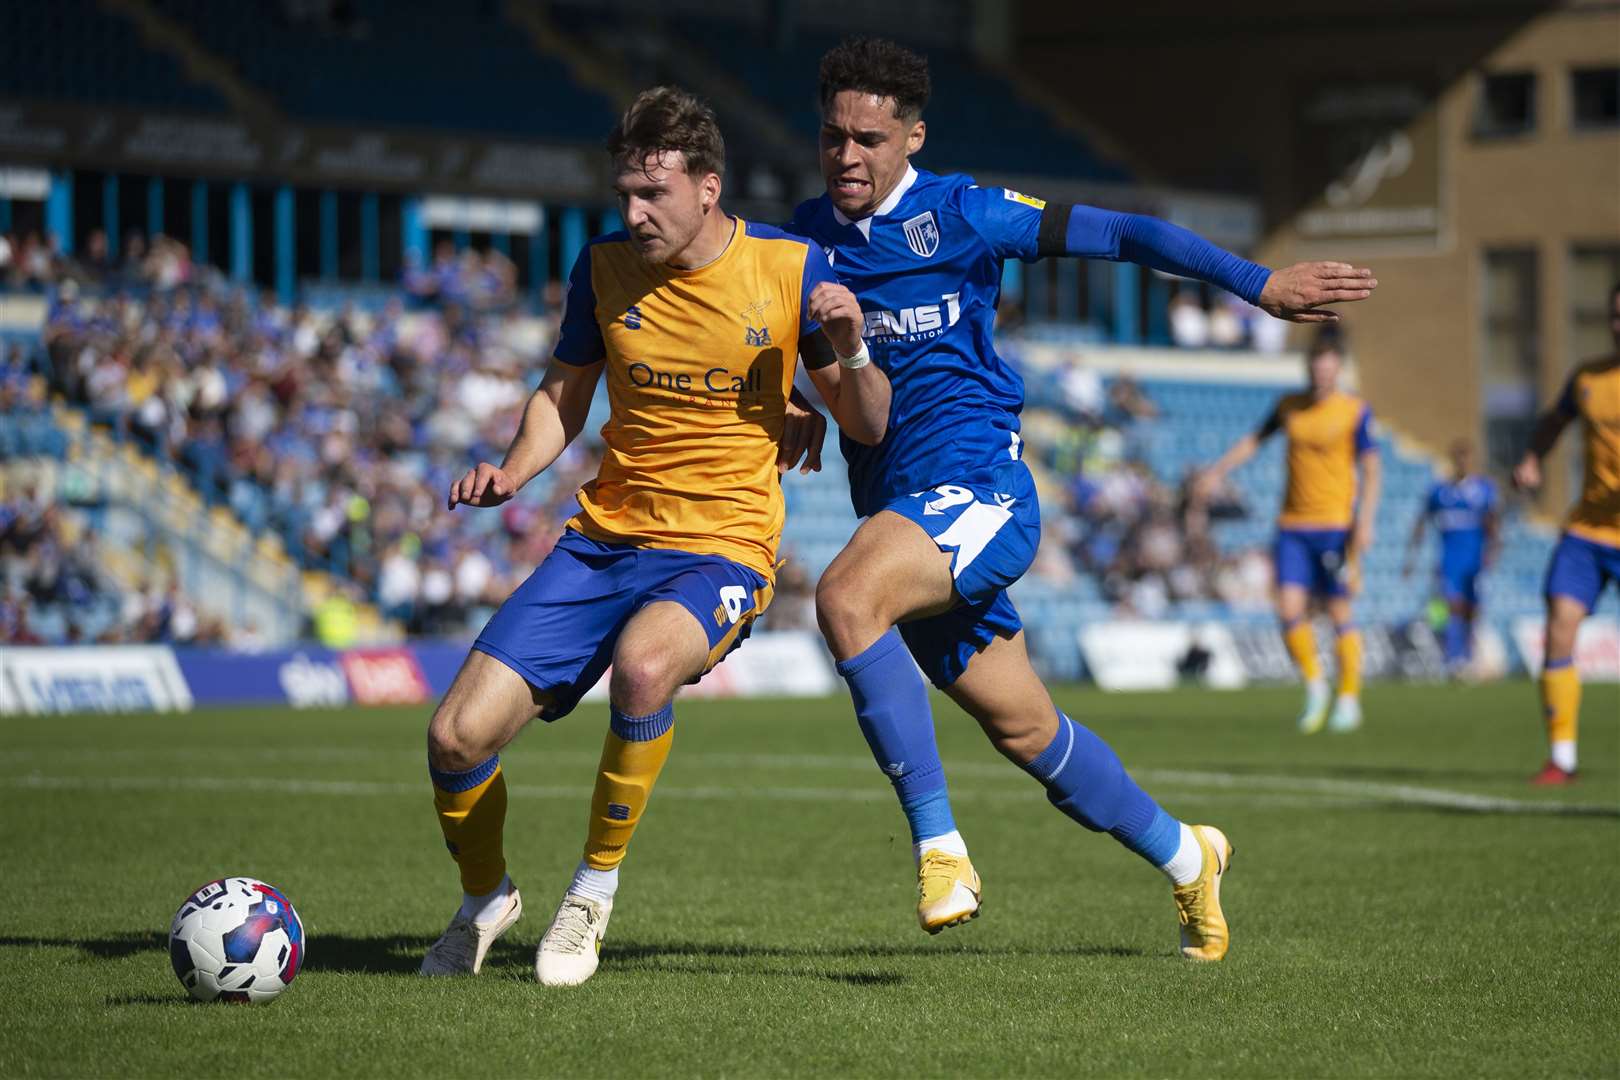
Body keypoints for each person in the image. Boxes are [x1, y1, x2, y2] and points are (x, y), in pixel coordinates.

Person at [788, 37, 1376, 960]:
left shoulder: (967, 212)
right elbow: (831, 380)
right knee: (1029, 732)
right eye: (833, 137)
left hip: (980, 491)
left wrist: (1257, 284)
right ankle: (1188, 857)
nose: (847, 156)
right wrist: (798, 399)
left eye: (868, 137)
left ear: (912, 137)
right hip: (902, 514)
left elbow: (1127, 233)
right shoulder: (803, 243)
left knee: (845, 596)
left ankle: (941, 848)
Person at [416, 86, 890, 984]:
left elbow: (866, 424)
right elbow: (564, 394)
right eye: (624, 194)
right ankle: (486, 899)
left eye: (653, 196)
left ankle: (592, 889)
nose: (633, 214)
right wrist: (513, 470)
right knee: (454, 740)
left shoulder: (791, 271)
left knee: (642, 667)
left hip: (723, 546)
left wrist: (851, 348)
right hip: (603, 540)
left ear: (708, 188)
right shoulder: (601, 269)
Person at [1199, 342, 1381, 735]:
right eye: (1317, 370)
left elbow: (1372, 467)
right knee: (1287, 610)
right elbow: (1255, 440)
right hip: (1293, 527)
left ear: (1338, 371)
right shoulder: (1289, 406)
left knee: (1338, 613)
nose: (1322, 377)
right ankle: (1316, 687)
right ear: (1309, 369)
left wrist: (1365, 520)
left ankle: (1349, 698)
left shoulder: (1354, 411)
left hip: (1335, 526)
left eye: (1330, 371)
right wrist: (1218, 470)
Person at [1511, 282, 1620, 785]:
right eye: (1615, 315)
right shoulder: (1589, 379)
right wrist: (1533, 458)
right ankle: (1562, 757)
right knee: (1559, 623)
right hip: (1588, 530)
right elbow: (1554, 421)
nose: (1619, 324)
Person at [1403, 438, 1498, 675]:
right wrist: (1411, 559)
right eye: (1459, 457)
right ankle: (1453, 658)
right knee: (1450, 607)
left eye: (1467, 457)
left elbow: (1494, 523)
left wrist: (1493, 552)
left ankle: (1468, 654)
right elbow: (1421, 521)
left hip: (1474, 561)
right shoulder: (1439, 492)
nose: (1463, 462)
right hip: (1448, 561)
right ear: (1453, 460)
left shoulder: (1483, 490)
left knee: (1471, 608)